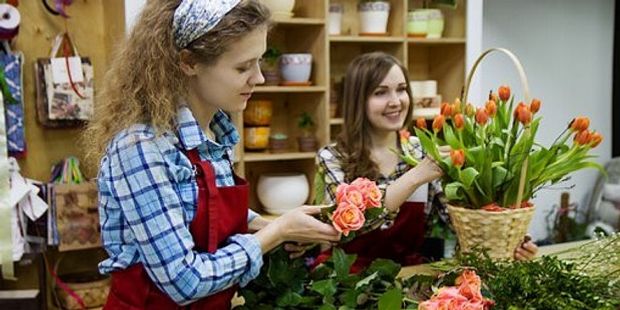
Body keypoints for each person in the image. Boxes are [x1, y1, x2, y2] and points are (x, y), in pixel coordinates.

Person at [83, 1, 340, 308]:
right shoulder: (140, 148)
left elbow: (199, 214)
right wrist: (276, 233)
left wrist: (276, 227)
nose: (258, 78)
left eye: (259, 62)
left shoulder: (213, 136)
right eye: (243, 67)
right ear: (189, 61)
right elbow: (185, 280)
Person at [315, 52, 537, 271]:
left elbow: (457, 220)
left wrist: (509, 239)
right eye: (380, 92)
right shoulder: (333, 157)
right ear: (357, 100)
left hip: (409, 276)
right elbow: (341, 230)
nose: (395, 101)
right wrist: (416, 176)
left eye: (401, 90)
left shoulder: (423, 151)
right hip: (346, 277)